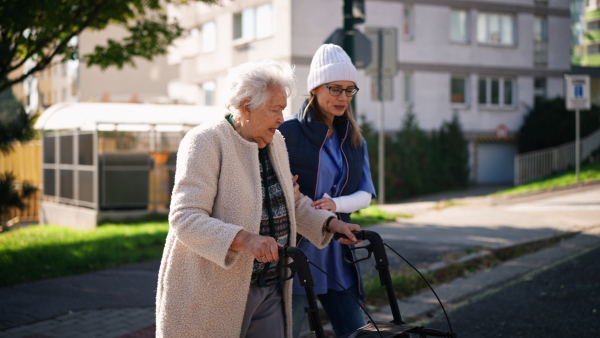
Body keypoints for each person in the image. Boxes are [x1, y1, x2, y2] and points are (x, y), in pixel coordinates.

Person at [155, 59, 363, 338]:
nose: (280, 119)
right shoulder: (206, 141)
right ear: (246, 107)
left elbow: (291, 202)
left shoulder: (274, 141)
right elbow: (186, 218)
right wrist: (246, 240)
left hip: (271, 283)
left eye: (283, 110)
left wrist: (331, 224)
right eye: (275, 110)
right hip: (215, 291)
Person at [279, 44, 377, 337]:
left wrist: (334, 203)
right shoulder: (286, 133)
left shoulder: (355, 139)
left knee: (357, 331)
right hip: (297, 253)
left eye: (349, 90)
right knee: (288, 332)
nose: (343, 97)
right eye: (335, 88)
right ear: (316, 89)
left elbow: (366, 195)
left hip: (338, 254)